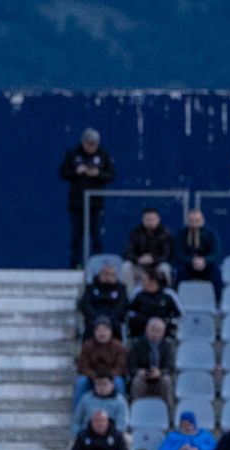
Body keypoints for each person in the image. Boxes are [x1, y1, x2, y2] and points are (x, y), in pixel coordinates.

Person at [59, 128, 115, 268]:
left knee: (97, 236)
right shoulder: (73, 154)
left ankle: (98, 266)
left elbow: (111, 175)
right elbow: (63, 173)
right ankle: (76, 264)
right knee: (77, 236)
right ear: (83, 142)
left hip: (96, 204)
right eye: (89, 144)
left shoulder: (103, 155)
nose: (92, 147)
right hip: (77, 204)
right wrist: (76, 172)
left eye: (94, 144)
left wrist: (98, 173)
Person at [126, 316, 176, 405]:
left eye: (158, 331)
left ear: (163, 333)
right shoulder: (137, 344)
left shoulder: (168, 346)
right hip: (143, 378)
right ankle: (135, 412)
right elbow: (131, 366)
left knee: (167, 381)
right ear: (146, 329)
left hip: (160, 378)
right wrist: (139, 372)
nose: (155, 334)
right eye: (152, 330)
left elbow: (170, 367)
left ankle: (169, 416)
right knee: (136, 382)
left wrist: (160, 372)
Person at [172, 208, 220, 288]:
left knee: (215, 272)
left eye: (197, 221)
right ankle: (178, 296)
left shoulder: (211, 234)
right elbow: (179, 253)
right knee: (180, 272)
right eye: (191, 221)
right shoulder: (181, 233)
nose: (194, 224)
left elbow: (215, 253)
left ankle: (218, 298)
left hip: (206, 265)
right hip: (188, 265)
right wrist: (192, 260)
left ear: (203, 220)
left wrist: (204, 260)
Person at [77, 262, 129, 336]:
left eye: (112, 274)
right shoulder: (91, 288)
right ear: (100, 274)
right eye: (106, 274)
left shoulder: (121, 289)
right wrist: (96, 318)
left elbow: (122, 305)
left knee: (116, 326)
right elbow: (85, 304)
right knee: (90, 327)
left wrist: (110, 318)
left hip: (113, 320)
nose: (108, 277)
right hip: (93, 319)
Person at [124, 207, 174, 282]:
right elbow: (128, 252)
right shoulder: (136, 233)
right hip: (140, 266)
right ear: (142, 220)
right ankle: (129, 293)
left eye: (153, 219)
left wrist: (153, 259)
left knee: (165, 268)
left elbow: (167, 255)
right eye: (147, 219)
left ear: (158, 219)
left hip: (157, 266)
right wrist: (138, 259)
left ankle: (165, 292)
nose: (150, 222)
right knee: (126, 266)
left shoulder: (165, 233)